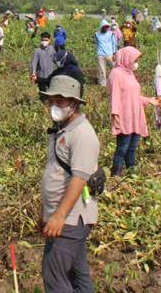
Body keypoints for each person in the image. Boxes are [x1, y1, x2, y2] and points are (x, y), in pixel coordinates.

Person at [39, 75, 100, 293]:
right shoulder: (62, 130)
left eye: (60, 100)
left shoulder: (83, 133)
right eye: (52, 100)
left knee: (53, 275)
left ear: (74, 103)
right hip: (62, 216)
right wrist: (47, 213)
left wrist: (59, 216)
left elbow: (79, 178)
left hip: (71, 219)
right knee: (77, 275)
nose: (54, 105)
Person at [108, 47, 161, 175]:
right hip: (124, 116)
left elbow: (134, 96)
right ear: (126, 58)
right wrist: (115, 114)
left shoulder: (129, 73)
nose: (136, 63)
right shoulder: (116, 74)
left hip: (135, 115)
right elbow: (115, 96)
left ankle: (132, 173)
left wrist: (150, 100)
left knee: (132, 148)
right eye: (134, 60)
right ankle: (116, 174)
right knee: (123, 147)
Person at [94, 20, 117, 86]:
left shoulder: (111, 34)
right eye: (105, 27)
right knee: (101, 70)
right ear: (101, 27)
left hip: (110, 54)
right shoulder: (97, 34)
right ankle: (102, 83)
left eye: (107, 27)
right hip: (100, 54)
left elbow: (114, 44)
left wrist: (114, 53)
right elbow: (96, 43)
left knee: (115, 67)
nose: (106, 28)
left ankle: (115, 81)